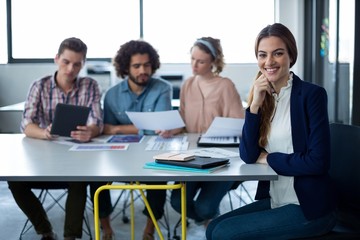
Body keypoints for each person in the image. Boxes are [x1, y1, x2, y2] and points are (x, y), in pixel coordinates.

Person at [206, 23, 337, 240]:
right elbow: (248, 156)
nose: (269, 62)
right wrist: (254, 105)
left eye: (278, 53)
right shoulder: (264, 97)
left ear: (290, 56)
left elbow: (318, 162)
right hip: (277, 199)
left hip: (308, 206)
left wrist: (270, 158)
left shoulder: (311, 95)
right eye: (262, 55)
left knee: (224, 234)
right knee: (213, 228)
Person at [7, 37, 104, 240]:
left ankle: (70, 237)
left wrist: (91, 131)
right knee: (14, 181)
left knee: (80, 179)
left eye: (77, 64)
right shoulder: (39, 86)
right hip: (42, 160)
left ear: (83, 64)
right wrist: (44, 133)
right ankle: (45, 230)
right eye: (66, 62)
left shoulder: (90, 85)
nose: (71, 69)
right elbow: (27, 124)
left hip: (76, 159)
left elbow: (97, 122)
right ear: (57, 58)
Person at [159, 37, 245, 228]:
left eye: (201, 61)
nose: (194, 65)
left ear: (213, 62)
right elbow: (182, 118)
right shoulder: (188, 85)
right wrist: (171, 128)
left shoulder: (226, 86)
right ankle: (207, 217)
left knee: (205, 207)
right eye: (192, 59)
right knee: (176, 202)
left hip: (222, 157)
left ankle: (210, 217)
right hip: (192, 155)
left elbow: (239, 124)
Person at [102, 39, 172, 240]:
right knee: (95, 176)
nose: (143, 70)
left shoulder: (163, 88)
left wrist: (118, 128)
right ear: (126, 67)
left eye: (147, 65)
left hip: (152, 154)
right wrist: (143, 127)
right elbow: (106, 131)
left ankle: (149, 230)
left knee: (159, 174)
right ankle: (106, 227)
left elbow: (159, 126)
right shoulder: (112, 95)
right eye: (137, 66)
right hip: (119, 157)